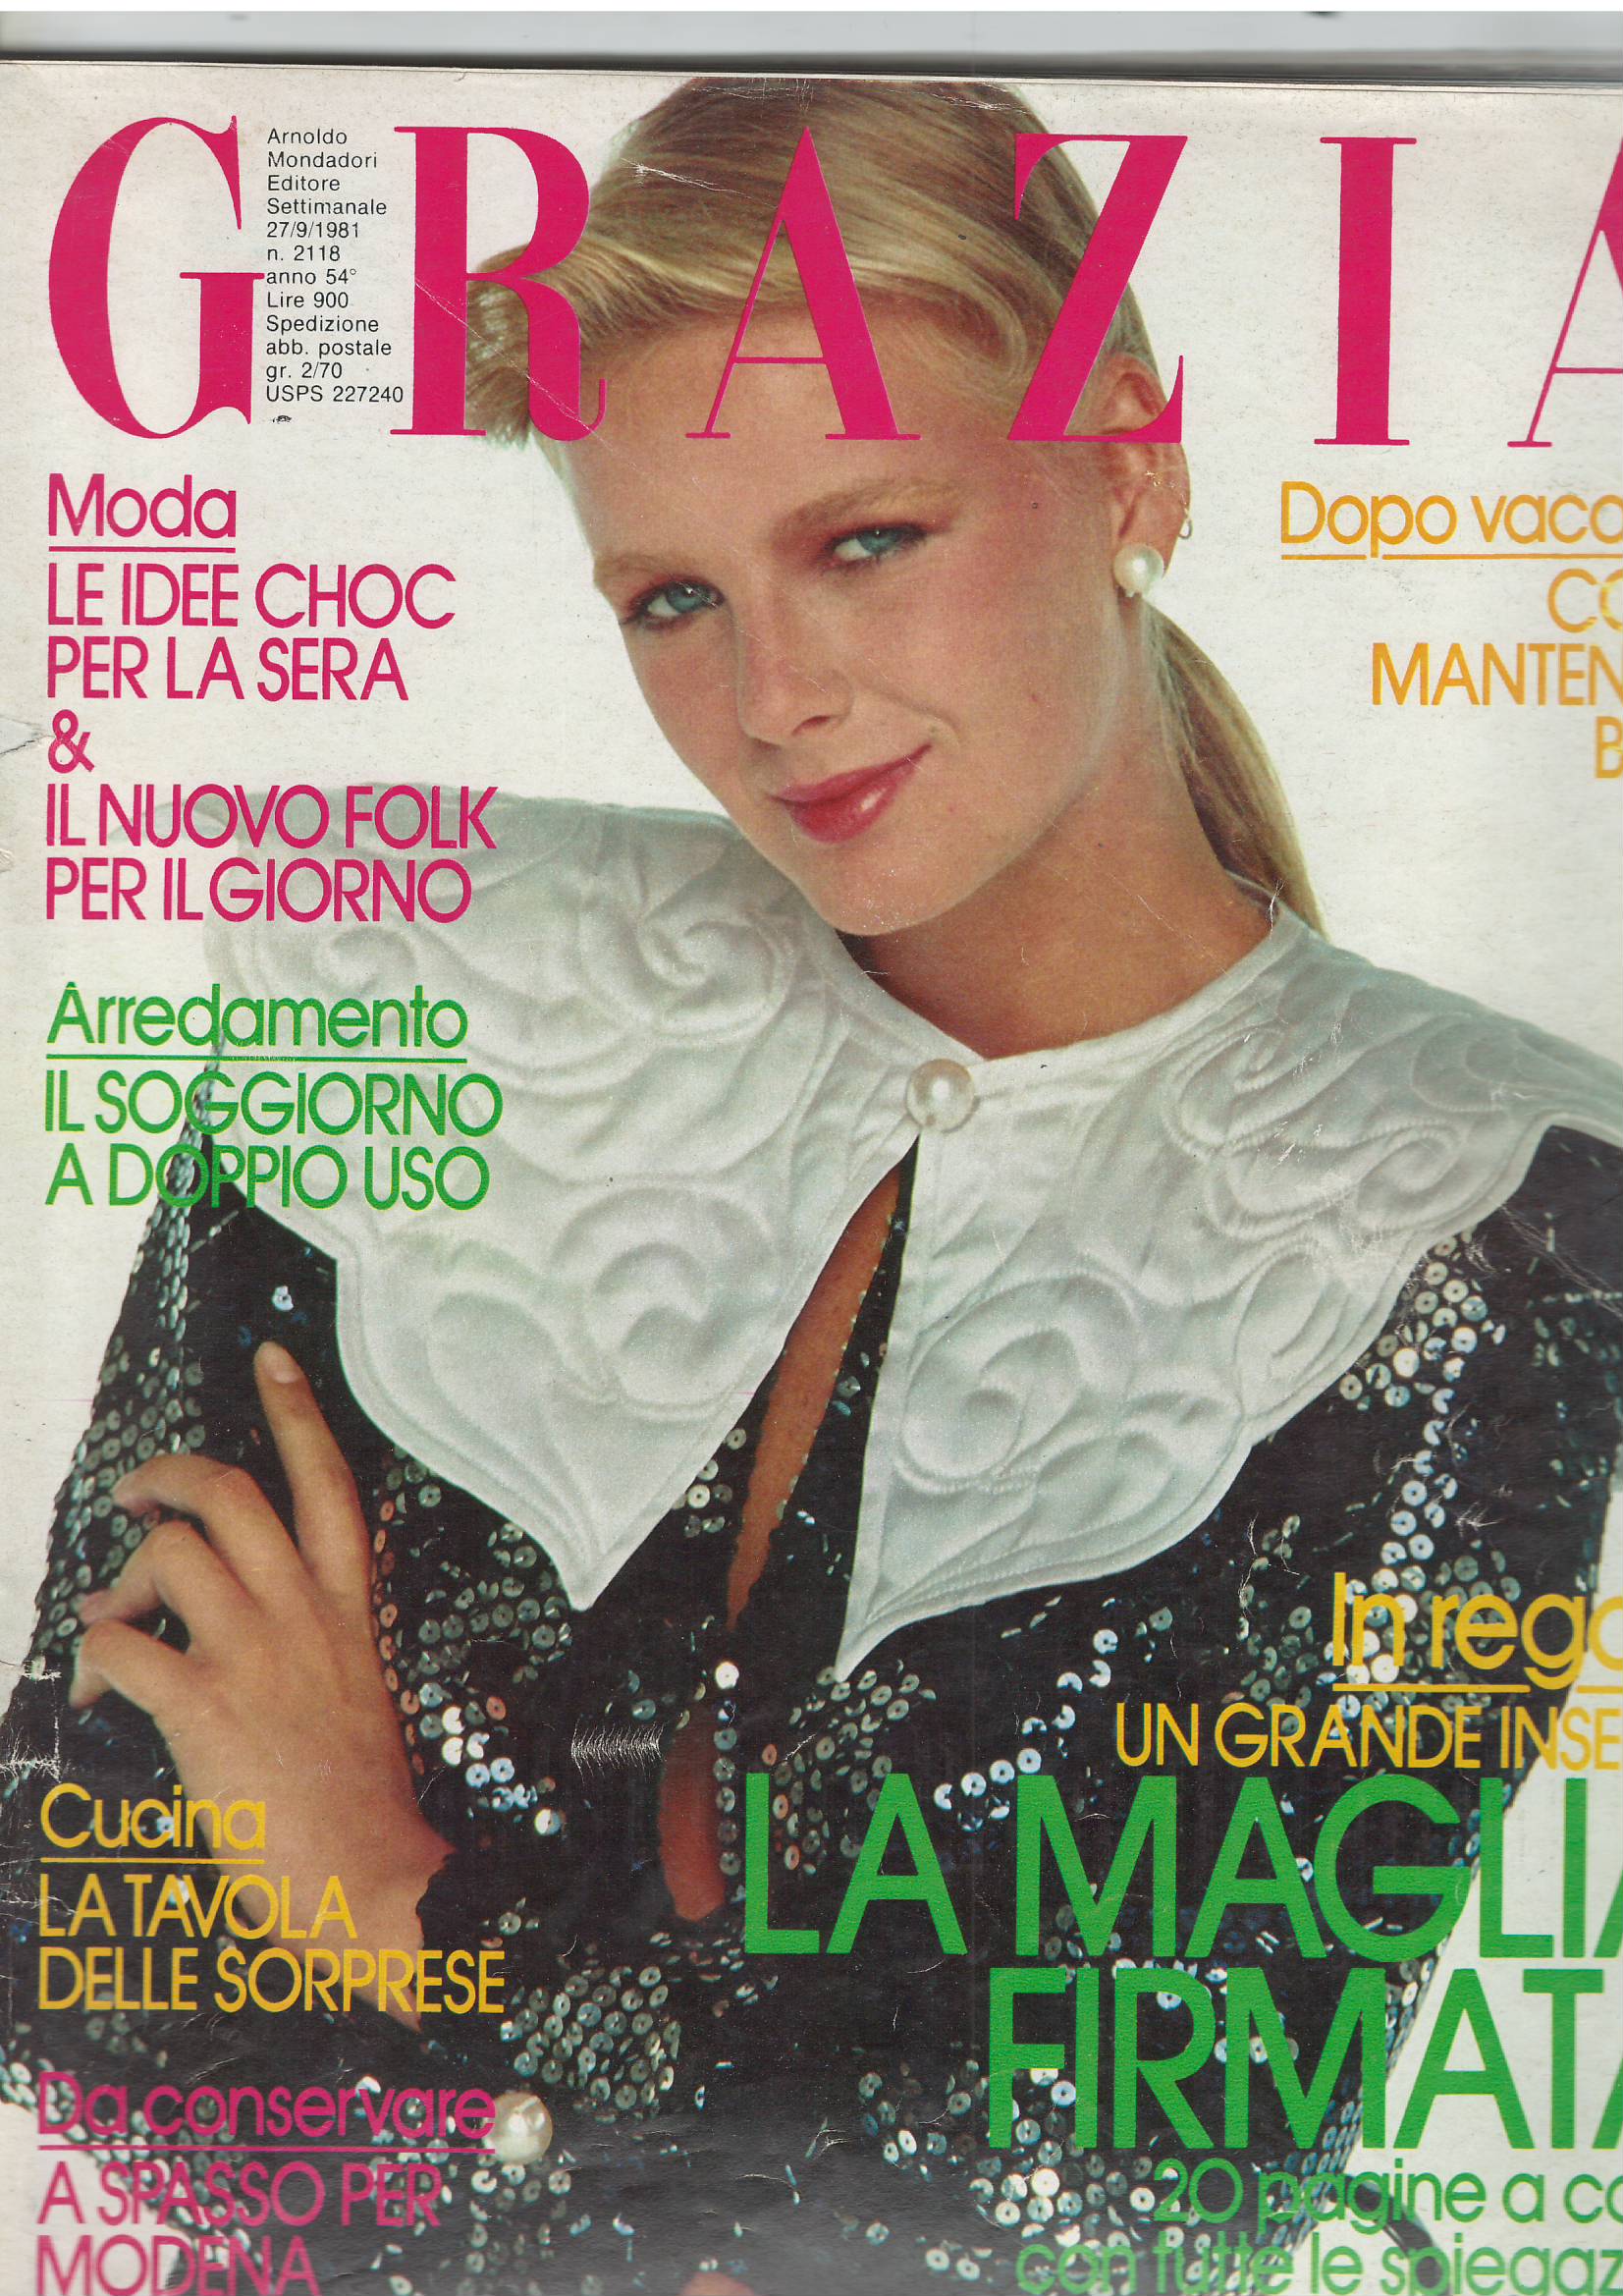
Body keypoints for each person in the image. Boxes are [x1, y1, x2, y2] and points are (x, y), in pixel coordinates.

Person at [4, 75, 1622, 2296]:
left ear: (1128, 458)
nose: (773, 697)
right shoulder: (407, 975)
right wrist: (713, 2143)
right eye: (671, 595)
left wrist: (395, 1896)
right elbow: (76, 1950)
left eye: (865, 541)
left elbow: (1118, 2191)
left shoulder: (1487, 1214)